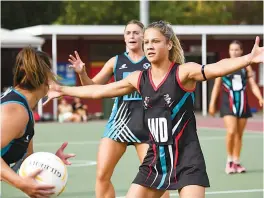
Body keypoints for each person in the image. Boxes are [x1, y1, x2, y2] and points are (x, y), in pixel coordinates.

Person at [46, 20, 263, 198]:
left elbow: (216, 68)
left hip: (187, 160)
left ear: (169, 44)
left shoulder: (183, 73)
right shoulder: (138, 78)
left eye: (155, 41)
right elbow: (97, 92)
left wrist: (248, 59)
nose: (149, 46)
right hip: (156, 160)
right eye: (147, 42)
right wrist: (61, 89)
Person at [68, 19, 170, 198]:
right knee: (102, 175)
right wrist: (82, 73)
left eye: (136, 32)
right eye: (128, 33)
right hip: (119, 124)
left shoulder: (153, 60)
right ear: (124, 38)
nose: (132, 36)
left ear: (143, 37)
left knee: (156, 179)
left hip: (147, 126)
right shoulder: (115, 62)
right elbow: (92, 87)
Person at [1, 47, 75, 198]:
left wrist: (51, 162)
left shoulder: (24, 109)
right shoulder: (16, 110)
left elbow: (26, 161)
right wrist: (21, 184)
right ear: (45, 77)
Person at [209, 40, 263, 174]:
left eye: (236, 49)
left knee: (239, 134)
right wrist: (212, 103)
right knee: (231, 131)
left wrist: (260, 97)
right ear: (229, 51)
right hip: (228, 104)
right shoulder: (223, 65)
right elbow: (216, 86)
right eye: (231, 49)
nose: (234, 52)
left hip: (243, 104)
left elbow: (252, 84)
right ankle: (229, 161)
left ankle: (237, 162)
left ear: (241, 51)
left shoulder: (246, 66)